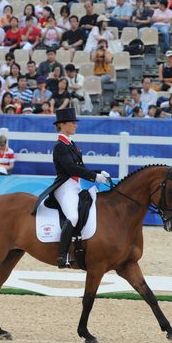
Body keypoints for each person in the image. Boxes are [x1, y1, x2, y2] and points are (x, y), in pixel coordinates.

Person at [34, 107, 108, 268]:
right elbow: (71, 168)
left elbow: (80, 167)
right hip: (64, 186)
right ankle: (62, 255)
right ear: (62, 125)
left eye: (75, 122)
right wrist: (94, 177)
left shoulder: (72, 144)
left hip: (76, 184)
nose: (75, 125)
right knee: (73, 217)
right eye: (72, 122)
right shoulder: (60, 146)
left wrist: (97, 172)